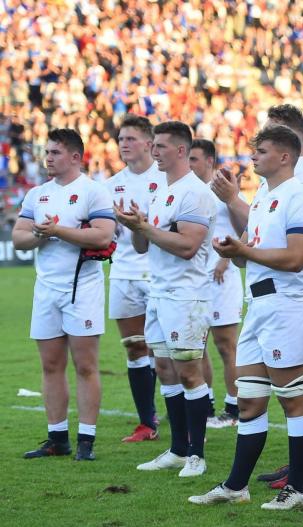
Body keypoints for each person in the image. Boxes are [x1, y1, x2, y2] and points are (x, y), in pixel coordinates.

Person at [188, 125, 303, 510]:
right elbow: (261, 248)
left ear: (284, 156)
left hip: (288, 307)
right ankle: (235, 486)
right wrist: (235, 247)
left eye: (261, 151)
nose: (253, 157)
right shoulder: (265, 196)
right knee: (249, 401)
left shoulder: (302, 196)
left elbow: (296, 259)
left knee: (293, 401)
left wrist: (243, 249)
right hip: (259, 308)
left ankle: (297, 488)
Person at [116, 120, 216, 478]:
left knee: (189, 373)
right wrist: (136, 227)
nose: (153, 151)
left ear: (179, 150)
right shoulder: (160, 191)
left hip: (185, 296)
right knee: (165, 370)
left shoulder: (195, 192)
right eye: (153, 145)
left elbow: (188, 246)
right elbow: (145, 245)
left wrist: (147, 229)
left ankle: (197, 455)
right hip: (158, 292)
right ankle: (176, 449)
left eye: (159, 146)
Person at [15, 128, 115, 461]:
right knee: (50, 365)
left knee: (85, 365)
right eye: (47, 153)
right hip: (46, 289)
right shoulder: (37, 194)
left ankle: (86, 441)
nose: (48, 159)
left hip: (81, 289)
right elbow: (19, 237)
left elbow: (103, 236)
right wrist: (42, 236)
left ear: (75, 156)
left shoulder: (93, 192)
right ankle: (57, 438)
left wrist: (57, 230)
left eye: (55, 153)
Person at [107, 115, 162, 443]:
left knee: (165, 350)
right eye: (120, 139)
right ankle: (147, 422)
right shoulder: (110, 185)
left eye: (130, 138)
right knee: (134, 348)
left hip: (159, 274)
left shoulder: (165, 179)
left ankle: (188, 418)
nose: (123, 144)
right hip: (124, 273)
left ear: (148, 143)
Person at [188, 139, 242, 429]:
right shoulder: (187, 189)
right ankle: (205, 405)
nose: (190, 164)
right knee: (197, 344)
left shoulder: (224, 186)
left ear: (209, 161)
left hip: (222, 276)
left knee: (226, 345)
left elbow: (246, 225)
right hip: (196, 277)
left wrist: (228, 259)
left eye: (194, 159)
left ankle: (233, 409)